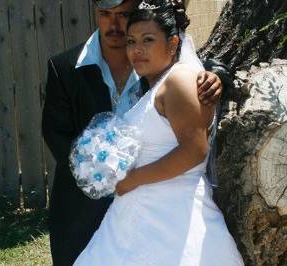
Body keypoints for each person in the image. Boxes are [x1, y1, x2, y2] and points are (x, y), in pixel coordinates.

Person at [41, 0, 226, 264]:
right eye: (106, 14)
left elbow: (192, 132)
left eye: (122, 15)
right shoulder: (64, 67)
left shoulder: (167, 70)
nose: (114, 24)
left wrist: (215, 77)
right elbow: (55, 134)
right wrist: (97, 174)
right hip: (87, 207)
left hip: (165, 211)